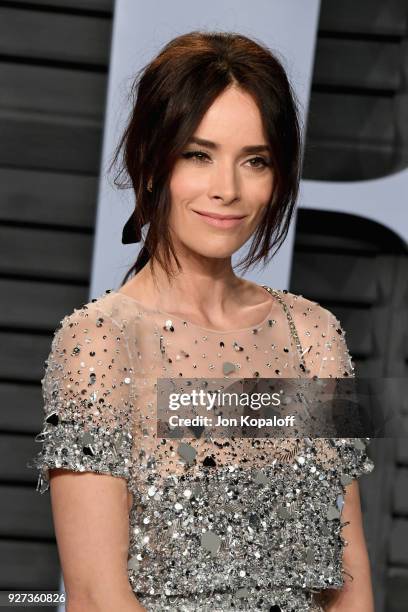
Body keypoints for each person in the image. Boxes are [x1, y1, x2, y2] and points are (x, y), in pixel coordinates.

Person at [28, 31, 375, 612]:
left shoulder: (315, 337)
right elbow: (93, 595)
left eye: (256, 161)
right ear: (151, 161)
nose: (228, 190)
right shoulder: (99, 344)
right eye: (199, 155)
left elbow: (351, 576)